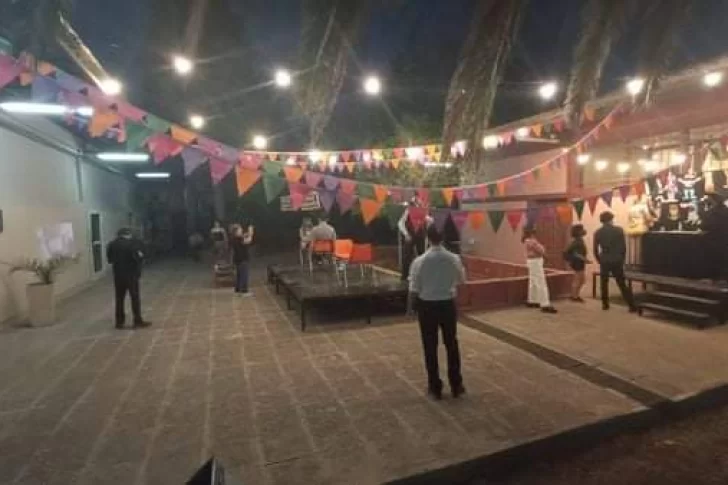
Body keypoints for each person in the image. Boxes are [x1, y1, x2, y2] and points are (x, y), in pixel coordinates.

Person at [409, 225, 466, 400]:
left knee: (430, 346)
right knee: (451, 344)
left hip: (427, 305)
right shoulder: (454, 258)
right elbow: (461, 280)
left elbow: (414, 288)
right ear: (443, 237)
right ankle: (456, 384)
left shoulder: (419, 261)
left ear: (428, 237)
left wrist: (411, 307)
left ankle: (435, 387)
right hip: (447, 303)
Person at [107, 228, 150, 329]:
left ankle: (119, 322)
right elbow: (138, 257)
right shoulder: (133, 244)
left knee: (119, 298)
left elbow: (110, 259)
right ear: (128, 234)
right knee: (134, 297)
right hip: (131, 275)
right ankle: (137, 320)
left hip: (118, 275)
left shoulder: (112, 244)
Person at [593, 211, 636, 311]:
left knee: (604, 283)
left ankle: (605, 304)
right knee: (621, 283)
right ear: (611, 219)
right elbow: (623, 247)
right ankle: (631, 305)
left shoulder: (598, 232)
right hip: (617, 259)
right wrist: (622, 259)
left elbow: (595, 249)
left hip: (605, 259)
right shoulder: (619, 230)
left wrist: (599, 260)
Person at [523, 227, 558, 313]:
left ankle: (533, 300)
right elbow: (541, 251)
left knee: (533, 281)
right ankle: (545, 304)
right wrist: (546, 257)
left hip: (530, 261)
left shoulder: (526, 240)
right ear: (532, 233)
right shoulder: (533, 241)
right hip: (536, 261)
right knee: (541, 282)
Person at [398, 197, 432, 281]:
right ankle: (404, 276)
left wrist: (428, 227)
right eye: (417, 203)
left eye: (420, 203)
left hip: (420, 235)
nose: (418, 205)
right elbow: (400, 223)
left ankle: (422, 276)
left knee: (422, 255)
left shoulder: (423, 212)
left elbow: (429, 221)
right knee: (407, 256)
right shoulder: (408, 211)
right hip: (410, 235)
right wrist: (406, 234)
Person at [700, 192, 728, 283]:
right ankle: (724, 278)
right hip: (725, 240)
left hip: (713, 240)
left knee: (713, 260)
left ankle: (714, 278)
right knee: (724, 259)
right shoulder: (726, 211)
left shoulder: (711, 212)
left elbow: (704, 226)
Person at [563, 224, 590, 302]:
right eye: (582, 229)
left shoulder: (577, 241)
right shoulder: (578, 241)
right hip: (577, 262)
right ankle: (574, 296)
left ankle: (575, 295)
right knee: (578, 279)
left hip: (578, 262)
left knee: (581, 280)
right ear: (579, 232)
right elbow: (576, 253)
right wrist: (585, 260)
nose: (584, 230)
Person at [230, 223, 253, 296]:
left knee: (239, 275)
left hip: (237, 259)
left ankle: (237, 290)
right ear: (236, 231)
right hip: (242, 259)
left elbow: (244, 235)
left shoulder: (234, 238)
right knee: (244, 275)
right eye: (240, 229)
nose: (241, 230)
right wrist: (251, 233)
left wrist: (248, 233)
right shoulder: (239, 238)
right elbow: (248, 241)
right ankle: (244, 291)